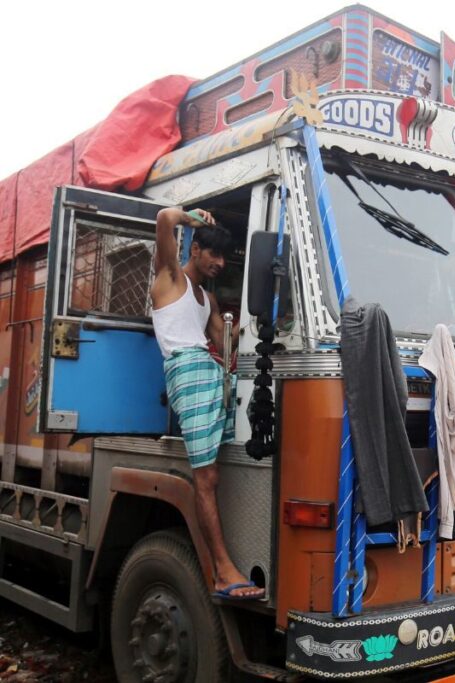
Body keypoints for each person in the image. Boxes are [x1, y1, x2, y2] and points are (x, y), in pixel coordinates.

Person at [150, 207, 264, 600]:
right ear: (195, 249)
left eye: (224, 258)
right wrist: (193, 219)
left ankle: (226, 566)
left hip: (214, 375)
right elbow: (165, 218)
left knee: (218, 472)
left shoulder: (208, 300)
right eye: (212, 255)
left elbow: (226, 347)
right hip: (187, 370)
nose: (219, 263)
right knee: (206, 476)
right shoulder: (169, 277)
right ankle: (221, 570)